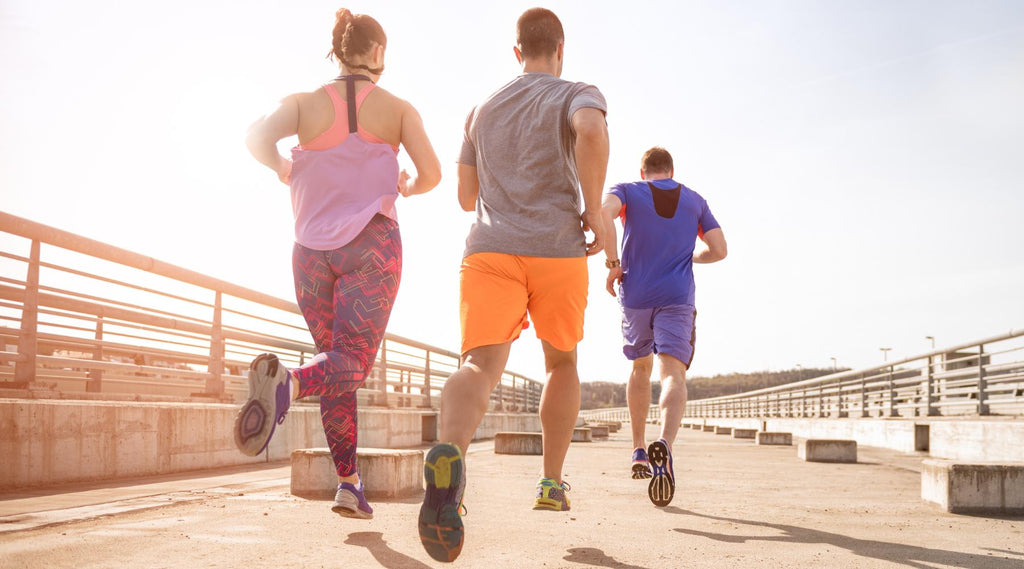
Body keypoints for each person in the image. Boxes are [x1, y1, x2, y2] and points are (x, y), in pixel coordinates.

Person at [417, 8, 608, 563]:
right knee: (562, 364)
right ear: (561, 47)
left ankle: (448, 454)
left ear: (516, 50)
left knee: (479, 365)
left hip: (489, 250)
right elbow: (591, 130)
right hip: (557, 250)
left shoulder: (481, 108)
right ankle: (551, 483)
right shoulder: (578, 91)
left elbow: (462, 196)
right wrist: (593, 210)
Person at [235, 8, 441, 520]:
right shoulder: (397, 108)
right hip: (370, 245)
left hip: (309, 253)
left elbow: (254, 136)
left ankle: (349, 484)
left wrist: (284, 166)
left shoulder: (302, 103)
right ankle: (291, 383)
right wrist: (406, 184)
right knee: (345, 363)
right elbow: (432, 174)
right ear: (376, 53)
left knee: (336, 365)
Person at [601, 147, 727, 508]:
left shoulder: (626, 191)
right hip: (677, 296)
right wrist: (690, 256)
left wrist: (613, 262)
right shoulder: (695, 200)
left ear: (644, 172)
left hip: (635, 294)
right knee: (672, 374)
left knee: (640, 367)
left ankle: (639, 449)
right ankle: (665, 446)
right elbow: (719, 250)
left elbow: (603, 213)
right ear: (671, 170)